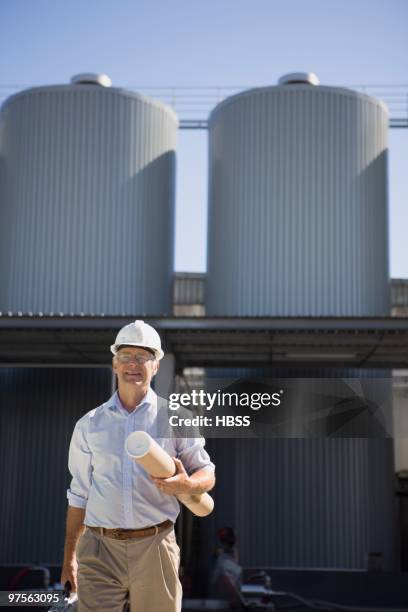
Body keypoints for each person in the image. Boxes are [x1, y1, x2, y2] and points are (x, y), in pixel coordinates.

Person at [61, 320, 216, 612]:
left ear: (155, 366)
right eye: (126, 357)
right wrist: (70, 557)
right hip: (99, 548)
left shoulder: (177, 417)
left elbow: (207, 474)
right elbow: (79, 495)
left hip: (155, 546)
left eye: (143, 357)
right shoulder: (89, 424)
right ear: (115, 364)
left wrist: (188, 485)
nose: (133, 364)